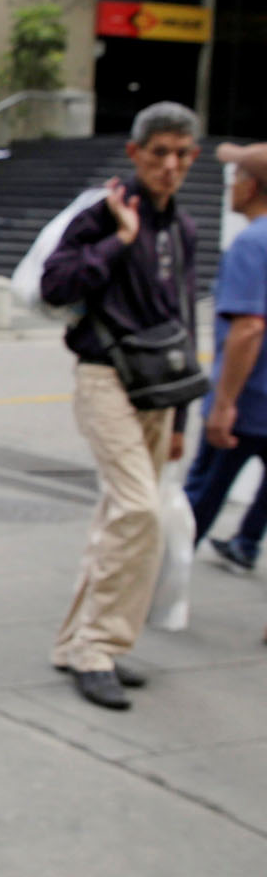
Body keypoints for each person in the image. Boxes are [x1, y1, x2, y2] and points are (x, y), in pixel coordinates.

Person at [40, 101, 202, 710]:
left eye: (182, 154)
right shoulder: (103, 215)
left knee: (120, 514)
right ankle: (99, 648)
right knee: (139, 511)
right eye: (159, 152)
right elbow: (56, 285)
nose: (170, 165)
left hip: (159, 387)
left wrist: (183, 416)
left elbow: (182, 316)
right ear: (135, 153)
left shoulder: (183, 228)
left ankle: (76, 641)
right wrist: (118, 241)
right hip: (106, 375)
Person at [183, 141, 267, 573]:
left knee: (202, 492)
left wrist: (225, 403)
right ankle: (247, 542)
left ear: (250, 186)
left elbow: (248, 327)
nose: (230, 186)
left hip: (251, 400)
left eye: (235, 178)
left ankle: (164, 575)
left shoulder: (252, 245)